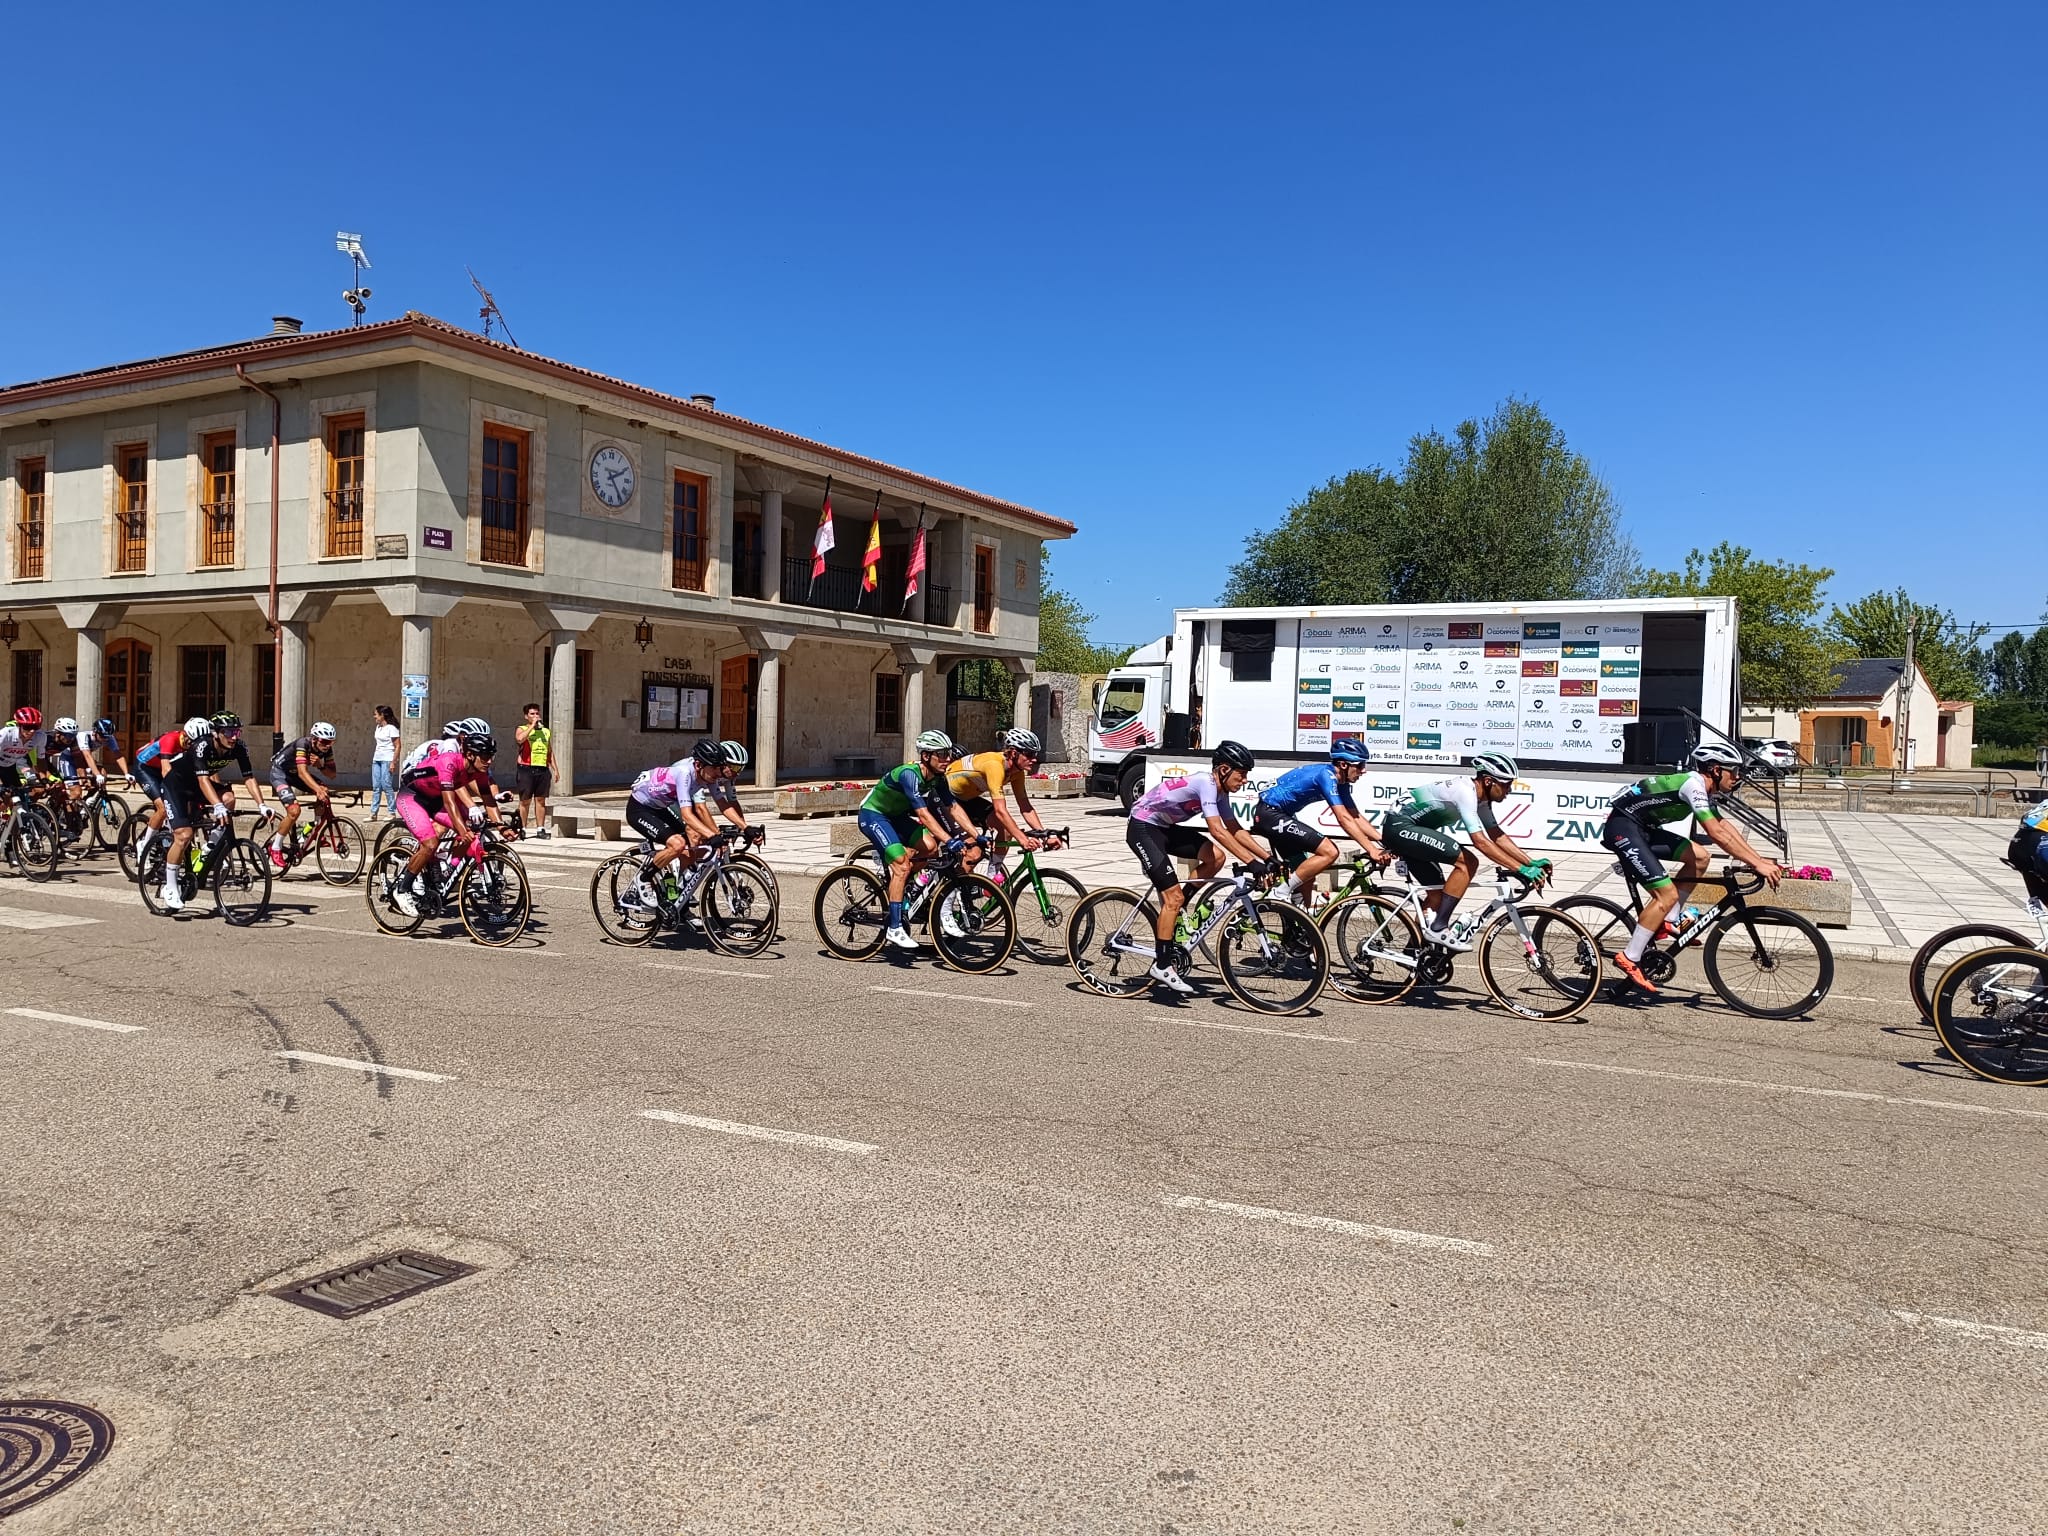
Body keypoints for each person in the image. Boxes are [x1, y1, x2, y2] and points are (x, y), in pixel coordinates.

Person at [1602, 742, 1786, 992]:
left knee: (1700, 857)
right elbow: (1716, 833)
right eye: (1734, 771)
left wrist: (1759, 860)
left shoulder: (1704, 790)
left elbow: (1725, 827)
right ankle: (1630, 956)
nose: (1738, 777)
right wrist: (1756, 864)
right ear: (1716, 769)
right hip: (1622, 828)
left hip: (1644, 830)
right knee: (1666, 894)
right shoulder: (1693, 785)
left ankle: (1669, 920)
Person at [1125, 740, 1273, 994]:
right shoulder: (1206, 783)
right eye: (1242, 773)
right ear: (1224, 770)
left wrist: (1267, 859)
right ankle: (1162, 965)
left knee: (1216, 857)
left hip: (1164, 828)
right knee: (1172, 897)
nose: (1245, 780)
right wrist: (1252, 863)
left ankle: (1180, 908)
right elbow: (1217, 830)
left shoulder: (1221, 792)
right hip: (1142, 827)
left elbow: (1235, 830)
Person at [1379, 753, 1550, 951]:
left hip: (1410, 830)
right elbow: (1480, 842)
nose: (1509, 790)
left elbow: (1496, 835)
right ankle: (1439, 927)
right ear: (1488, 781)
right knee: (1468, 862)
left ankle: (1414, 952)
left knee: (1437, 895)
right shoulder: (1465, 792)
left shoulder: (1481, 800)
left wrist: (1530, 863)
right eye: (1506, 784)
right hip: (1400, 826)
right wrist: (1520, 869)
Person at [858, 729, 979, 951]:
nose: (948, 758)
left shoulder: (938, 779)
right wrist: (950, 839)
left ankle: (905, 891)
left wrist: (976, 835)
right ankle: (894, 927)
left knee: (931, 848)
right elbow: (924, 815)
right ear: (926, 756)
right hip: (874, 815)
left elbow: (953, 807)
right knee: (902, 866)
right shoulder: (909, 774)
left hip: (897, 817)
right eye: (941, 754)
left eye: (948, 753)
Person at [1252, 739, 1390, 906]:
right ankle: (1279, 892)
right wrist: (1371, 849)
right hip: (1270, 814)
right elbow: (1343, 818)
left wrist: (1384, 841)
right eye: (1360, 765)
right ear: (1344, 765)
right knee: (1330, 851)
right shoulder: (1326, 775)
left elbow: (1355, 816)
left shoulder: (1342, 782)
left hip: (1280, 814)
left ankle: (1301, 923)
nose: (1364, 770)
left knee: (1306, 875)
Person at [390, 731, 502, 916]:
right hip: (412, 797)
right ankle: (402, 889)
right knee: (431, 843)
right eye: (485, 756)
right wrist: (461, 829)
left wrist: (502, 827)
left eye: (491, 756)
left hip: (434, 801)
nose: (489, 761)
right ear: (470, 754)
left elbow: (489, 800)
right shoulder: (448, 762)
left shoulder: (478, 771)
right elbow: (450, 803)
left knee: (471, 828)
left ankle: (440, 871)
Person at [619, 738, 732, 911]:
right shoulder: (684, 773)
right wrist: (713, 835)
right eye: (715, 768)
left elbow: (723, 804)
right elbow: (688, 815)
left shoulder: (709, 776)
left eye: (719, 767)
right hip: (640, 808)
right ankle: (643, 878)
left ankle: (677, 897)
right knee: (677, 844)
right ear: (699, 765)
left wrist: (746, 828)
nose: (718, 773)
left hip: (659, 807)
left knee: (694, 839)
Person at [946, 728, 1064, 873]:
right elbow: (1000, 811)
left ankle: (992, 878)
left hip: (967, 799)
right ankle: (950, 893)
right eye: (1029, 754)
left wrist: (1045, 835)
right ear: (1014, 753)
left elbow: (1025, 807)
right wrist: (1023, 839)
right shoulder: (994, 766)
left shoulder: (1017, 772)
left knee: (1006, 831)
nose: (1034, 759)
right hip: (946, 798)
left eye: (1035, 754)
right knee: (973, 852)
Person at [267, 722, 339, 867]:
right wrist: (317, 790)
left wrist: (321, 765)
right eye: (324, 742)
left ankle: (314, 830)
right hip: (280, 774)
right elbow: (302, 772)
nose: (327, 745)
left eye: (331, 742)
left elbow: (332, 775)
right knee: (294, 811)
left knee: (324, 790)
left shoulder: (326, 750)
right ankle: (275, 847)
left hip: (295, 775)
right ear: (314, 739)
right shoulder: (302, 744)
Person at [514, 703, 553, 838]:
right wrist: (532, 726)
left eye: (537, 713)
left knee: (541, 800)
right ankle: (522, 828)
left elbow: (549, 751)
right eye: (532, 714)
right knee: (525, 800)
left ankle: (540, 828)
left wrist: (555, 768)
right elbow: (519, 739)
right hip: (526, 768)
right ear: (526, 716)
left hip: (542, 768)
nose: (536, 716)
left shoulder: (546, 731)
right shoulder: (522, 729)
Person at [0, 705, 49, 794]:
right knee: (4, 795)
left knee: (19, 796)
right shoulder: (6, 734)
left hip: (10, 766)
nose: (31, 731)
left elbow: (40, 760)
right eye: (27, 727)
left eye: (35, 727)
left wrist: (44, 778)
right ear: (19, 725)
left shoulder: (40, 737)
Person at [369, 705, 400, 821]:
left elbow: (397, 746)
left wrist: (393, 762)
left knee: (386, 785)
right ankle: (373, 813)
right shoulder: (378, 727)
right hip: (376, 758)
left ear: (382, 715)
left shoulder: (392, 728)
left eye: (376, 714)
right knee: (376, 786)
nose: (374, 717)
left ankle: (391, 812)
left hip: (387, 758)